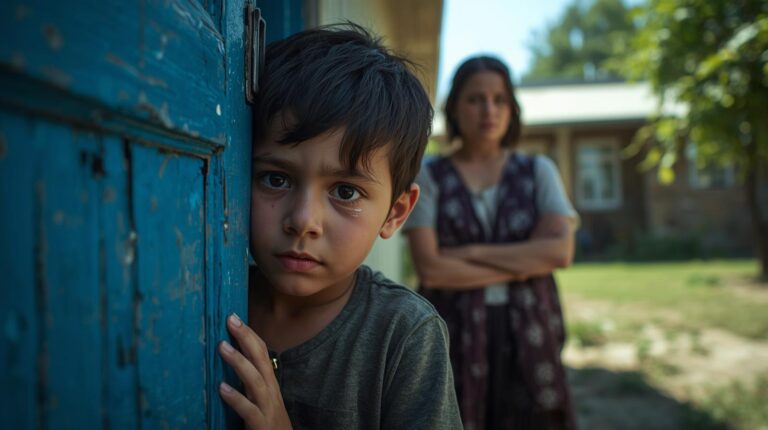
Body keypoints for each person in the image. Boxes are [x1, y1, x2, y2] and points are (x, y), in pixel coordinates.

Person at [216, 24, 463, 430]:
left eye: (345, 192)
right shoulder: (212, 296)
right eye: (275, 178)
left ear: (396, 213)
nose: (303, 221)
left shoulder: (402, 335)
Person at [404, 55, 579, 430]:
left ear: (512, 108)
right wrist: (525, 261)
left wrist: (470, 252)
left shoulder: (538, 171)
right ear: (455, 107)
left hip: (532, 329)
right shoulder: (430, 176)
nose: (489, 110)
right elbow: (431, 268)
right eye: (475, 99)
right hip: (456, 330)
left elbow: (560, 252)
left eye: (499, 99)